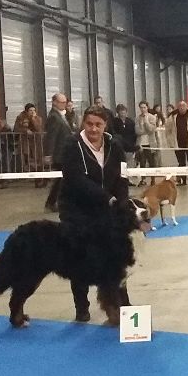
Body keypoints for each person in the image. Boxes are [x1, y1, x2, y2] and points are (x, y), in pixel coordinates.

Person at [57, 106, 130, 322]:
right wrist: (108, 197)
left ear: (105, 125)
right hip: (76, 211)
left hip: (107, 213)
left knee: (115, 262)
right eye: (89, 124)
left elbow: (123, 175)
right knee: (80, 261)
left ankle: (121, 305)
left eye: (98, 124)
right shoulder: (72, 145)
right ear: (83, 124)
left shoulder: (115, 145)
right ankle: (82, 307)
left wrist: (122, 201)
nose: (93, 129)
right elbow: (77, 180)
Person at [43, 93, 71, 212]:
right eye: (62, 102)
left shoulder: (61, 116)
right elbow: (51, 136)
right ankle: (52, 202)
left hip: (64, 153)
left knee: (61, 180)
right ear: (54, 102)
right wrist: (48, 154)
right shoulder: (54, 117)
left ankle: (54, 201)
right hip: (59, 154)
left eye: (65, 102)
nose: (64, 105)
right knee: (60, 180)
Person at [165, 101, 188, 186]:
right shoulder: (172, 117)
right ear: (178, 107)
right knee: (181, 163)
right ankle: (182, 180)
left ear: (186, 107)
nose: (182, 107)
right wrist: (170, 141)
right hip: (178, 144)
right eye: (180, 106)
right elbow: (167, 130)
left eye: (183, 106)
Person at [14, 103, 44, 178]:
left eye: (34, 110)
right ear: (26, 111)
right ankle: (26, 172)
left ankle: (37, 174)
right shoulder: (20, 118)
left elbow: (38, 128)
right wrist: (25, 130)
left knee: (36, 157)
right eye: (30, 110)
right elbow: (16, 128)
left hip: (35, 141)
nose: (32, 112)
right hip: (25, 141)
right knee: (25, 156)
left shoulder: (38, 118)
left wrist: (33, 119)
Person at [135, 102, 159, 187]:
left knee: (152, 162)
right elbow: (137, 131)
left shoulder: (152, 117)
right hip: (141, 144)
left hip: (150, 143)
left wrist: (145, 122)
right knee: (142, 162)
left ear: (147, 108)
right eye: (141, 107)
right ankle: (143, 179)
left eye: (144, 107)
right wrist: (145, 130)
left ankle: (153, 179)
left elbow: (151, 129)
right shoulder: (137, 118)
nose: (143, 109)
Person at [112, 104, 138, 179]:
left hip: (130, 145)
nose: (123, 114)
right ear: (118, 113)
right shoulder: (115, 121)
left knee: (129, 162)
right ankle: (122, 178)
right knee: (121, 163)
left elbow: (134, 133)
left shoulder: (130, 121)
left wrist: (134, 145)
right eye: (121, 112)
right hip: (120, 145)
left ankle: (129, 179)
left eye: (124, 112)